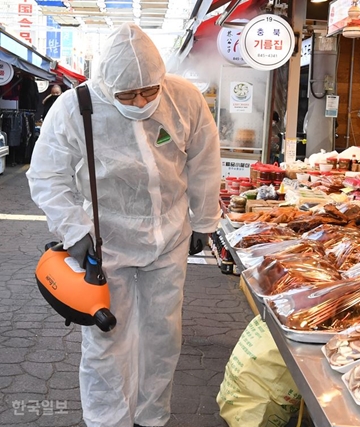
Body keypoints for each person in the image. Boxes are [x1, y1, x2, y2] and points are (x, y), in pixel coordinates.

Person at [26, 23, 221, 427]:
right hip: (105, 239)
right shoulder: (76, 106)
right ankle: (107, 420)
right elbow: (47, 174)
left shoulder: (183, 98)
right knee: (105, 337)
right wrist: (74, 230)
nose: (139, 100)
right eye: (127, 94)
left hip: (169, 235)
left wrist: (204, 220)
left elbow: (204, 162)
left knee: (163, 334)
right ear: (106, 85)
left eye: (148, 91)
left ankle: (151, 418)